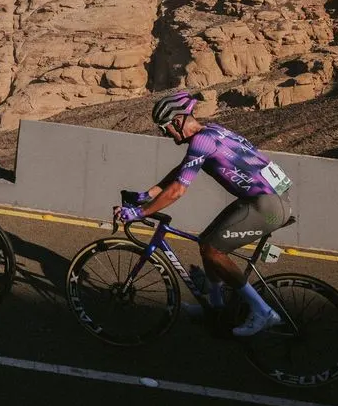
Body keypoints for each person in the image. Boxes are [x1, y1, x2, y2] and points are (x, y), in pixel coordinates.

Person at [115, 90, 293, 337]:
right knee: (206, 242)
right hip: (267, 201)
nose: (164, 134)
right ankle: (216, 307)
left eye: (164, 128)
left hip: (268, 207)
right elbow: (180, 171)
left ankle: (262, 311)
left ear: (177, 121)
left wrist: (138, 212)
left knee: (214, 250)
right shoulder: (212, 132)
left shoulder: (202, 141)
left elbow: (177, 190)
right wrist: (147, 194)